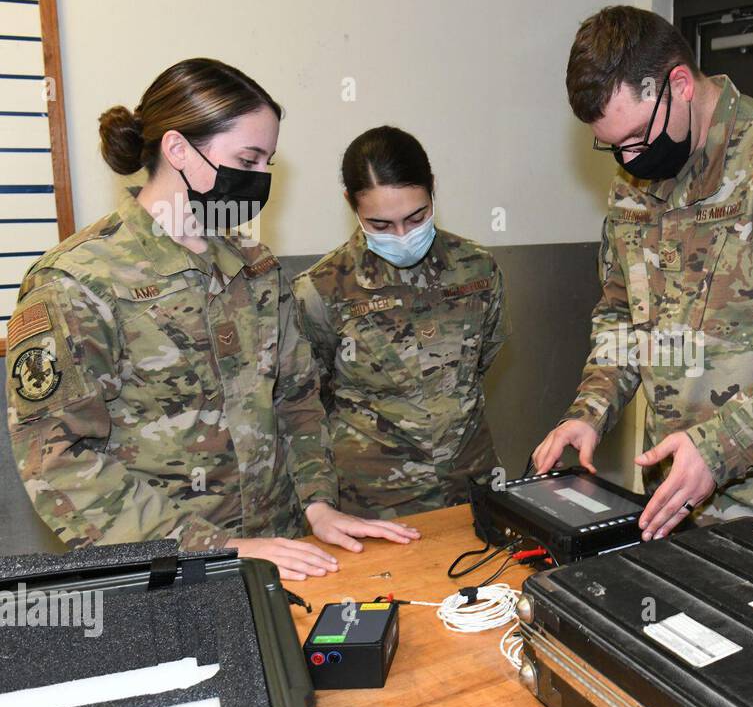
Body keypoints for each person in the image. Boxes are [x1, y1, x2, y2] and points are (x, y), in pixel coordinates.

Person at [5, 58, 418, 580]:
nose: (262, 177)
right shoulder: (77, 281)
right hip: (163, 573)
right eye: (249, 157)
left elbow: (296, 401)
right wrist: (213, 547)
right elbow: (59, 461)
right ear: (178, 149)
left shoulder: (256, 267)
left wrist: (317, 503)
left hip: (283, 555)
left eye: (268, 160)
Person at [532, 6, 753, 555]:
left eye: (636, 137)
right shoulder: (634, 181)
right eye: (613, 145)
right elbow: (622, 316)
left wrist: (718, 449)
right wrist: (590, 411)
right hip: (675, 504)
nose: (628, 158)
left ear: (679, 84)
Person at [292, 126, 507, 518]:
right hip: (373, 500)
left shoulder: (477, 268)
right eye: (381, 225)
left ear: (433, 189)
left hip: (472, 481)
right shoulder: (322, 289)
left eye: (416, 216)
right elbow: (308, 399)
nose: (403, 235)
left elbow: (482, 360)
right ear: (351, 205)